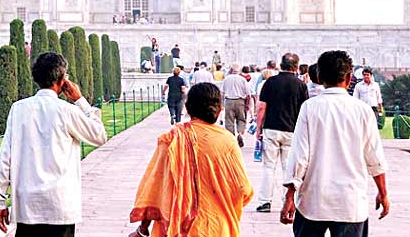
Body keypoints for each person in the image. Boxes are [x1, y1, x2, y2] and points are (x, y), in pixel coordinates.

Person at [0, 52, 108, 235]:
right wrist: (80, 100)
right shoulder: (67, 111)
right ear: (62, 79)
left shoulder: (19, 109)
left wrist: (0, 201)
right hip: (60, 205)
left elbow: (6, 156)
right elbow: (99, 135)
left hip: (28, 205)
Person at [281, 50, 389, 235]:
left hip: (313, 200)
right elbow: (374, 157)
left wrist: (290, 196)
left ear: (320, 77)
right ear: (349, 78)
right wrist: (383, 193)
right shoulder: (363, 110)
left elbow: (299, 156)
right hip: (350, 201)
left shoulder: (310, 107)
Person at [129, 83, 254, 237]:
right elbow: (243, 189)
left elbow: (155, 187)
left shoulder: (172, 140)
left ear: (188, 108)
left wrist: (142, 230)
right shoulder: (228, 141)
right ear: (219, 109)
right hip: (217, 227)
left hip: (176, 228)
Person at [254, 52, 309, 213]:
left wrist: (258, 128)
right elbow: (304, 111)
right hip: (291, 130)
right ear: (296, 67)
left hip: (271, 128)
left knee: (268, 167)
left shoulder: (270, 82)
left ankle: (265, 201)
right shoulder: (300, 85)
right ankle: (287, 200)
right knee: (288, 168)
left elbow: (262, 107)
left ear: (281, 65)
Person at [221, 66, 252, 146]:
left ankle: (231, 138)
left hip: (229, 101)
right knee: (241, 119)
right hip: (240, 101)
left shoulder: (226, 79)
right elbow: (248, 94)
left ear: (231, 70)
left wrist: (221, 104)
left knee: (229, 120)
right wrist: (247, 104)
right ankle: (240, 134)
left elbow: (222, 92)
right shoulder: (242, 79)